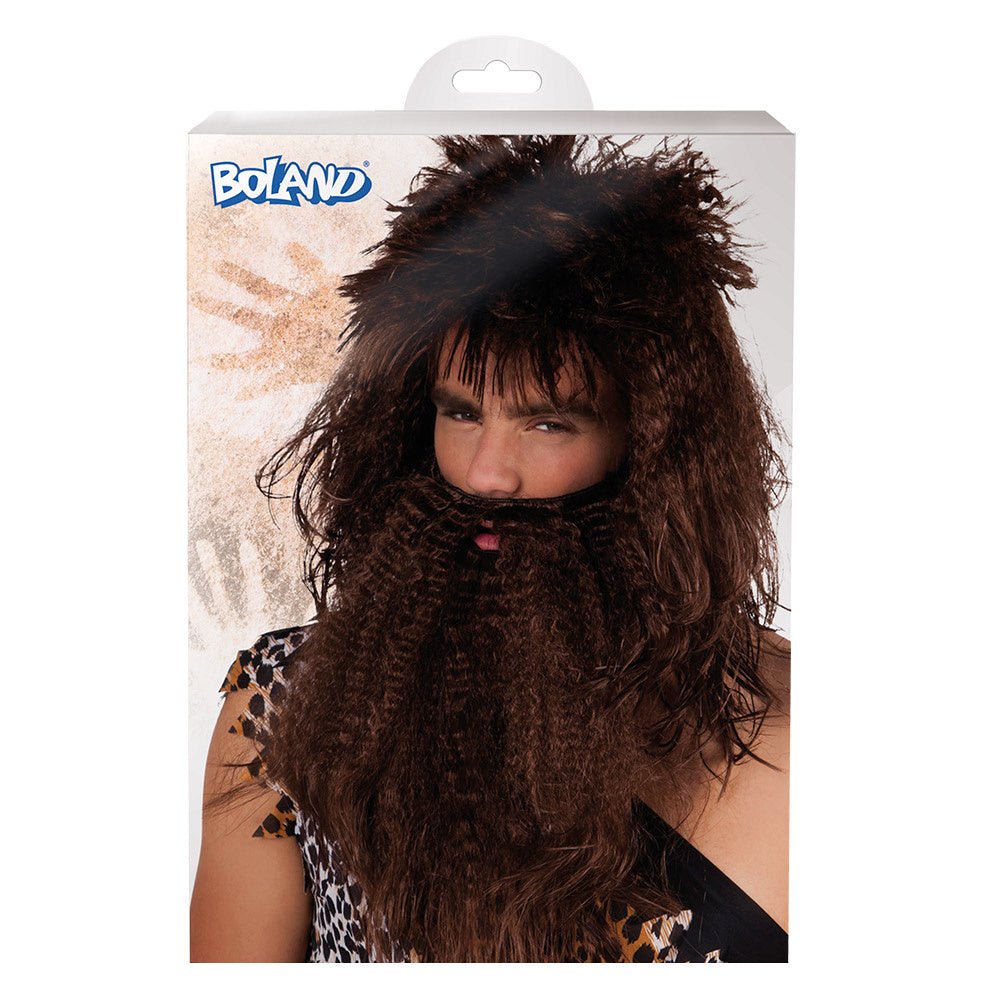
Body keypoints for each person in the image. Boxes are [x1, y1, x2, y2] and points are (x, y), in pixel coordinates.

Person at [190, 134, 791, 963]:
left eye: (548, 423)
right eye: (461, 412)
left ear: (651, 445)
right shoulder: (288, 709)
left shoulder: (790, 723)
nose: (484, 474)